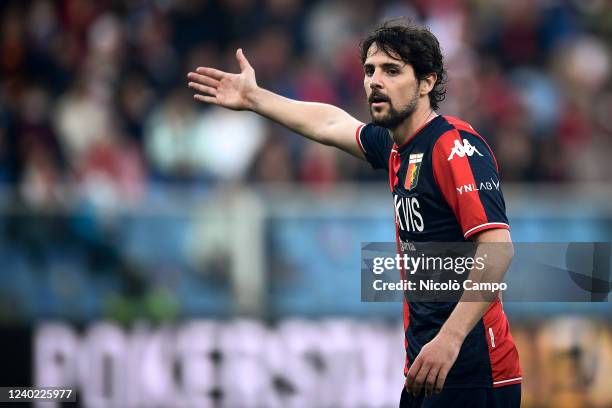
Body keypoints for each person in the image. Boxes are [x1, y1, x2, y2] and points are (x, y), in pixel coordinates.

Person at [187, 19, 521, 408]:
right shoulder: (397, 147)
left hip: (474, 371)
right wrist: (255, 99)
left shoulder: (454, 146)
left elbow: (498, 248)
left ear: (427, 82)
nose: (374, 81)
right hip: (426, 369)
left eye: (392, 71)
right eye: (370, 70)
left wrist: (448, 340)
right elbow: (331, 122)